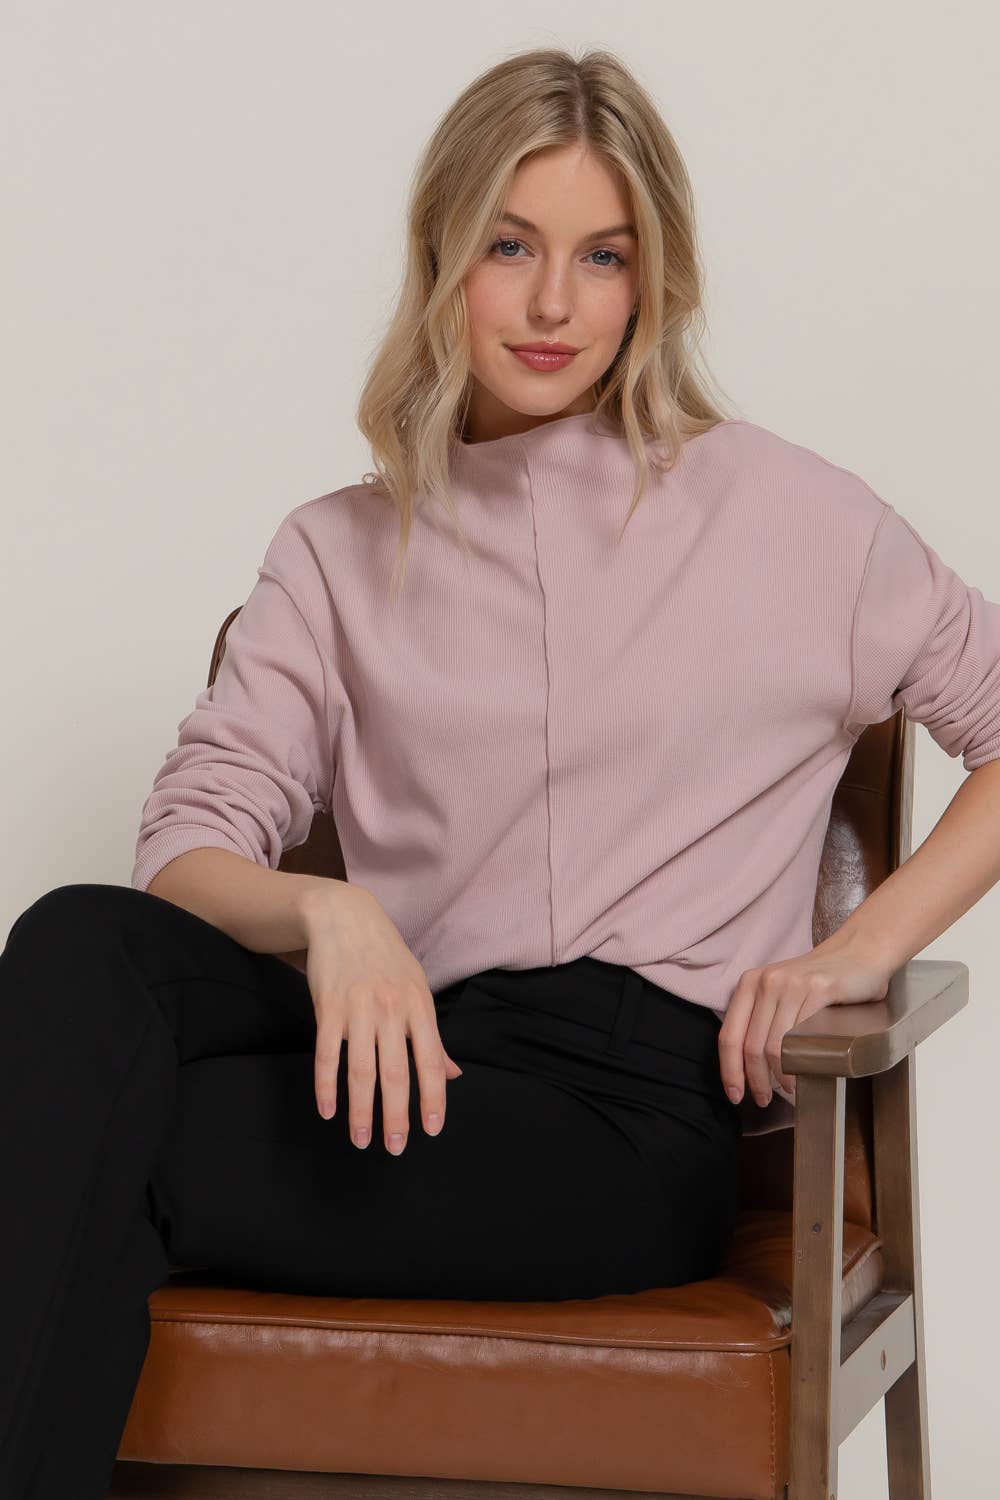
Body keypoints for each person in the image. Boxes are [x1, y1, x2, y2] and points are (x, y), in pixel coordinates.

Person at [5, 45, 1000, 1500]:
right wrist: (332, 914)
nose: (553, 306)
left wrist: (859, 949)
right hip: (398, 1056)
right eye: (511, 247)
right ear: (441, 260)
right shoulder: (339, 549)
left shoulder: (793, 516)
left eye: (603, 256)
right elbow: (188, 845)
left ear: (651, 282)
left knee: (72, 1139)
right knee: (76, 944)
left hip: (617, 1119)